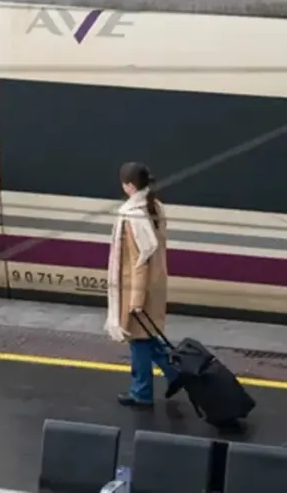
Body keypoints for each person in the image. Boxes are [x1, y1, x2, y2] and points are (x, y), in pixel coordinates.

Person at [105, 162, 179, 408]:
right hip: (155, 285)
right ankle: (175, 374)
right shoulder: (155, 206)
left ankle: (142, 392)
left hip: (139, 289)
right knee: (147, 340)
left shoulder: (132, 214)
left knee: (138, 343)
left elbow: (140, 262)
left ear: (129, 186)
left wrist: (136, 302)